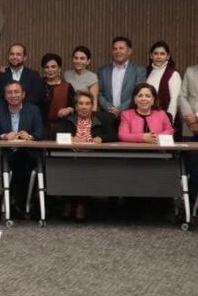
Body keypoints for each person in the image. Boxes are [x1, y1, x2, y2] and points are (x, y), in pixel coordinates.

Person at [59, 91, 117, 220]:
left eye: (87, 104)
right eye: (81, 103)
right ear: (76, 106)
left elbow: (114, 135)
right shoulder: (68, 120)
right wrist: (70, 139)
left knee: (83, 171)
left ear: (92, 106)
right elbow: (57, 135)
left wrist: (101, 138)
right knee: (67, 169)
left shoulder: (103, 119)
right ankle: (70, 201)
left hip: (93, 159)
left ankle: (80, 203)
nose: (84, 107)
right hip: (71, 158)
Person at [0, 81, 44, 214]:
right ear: (4, 95)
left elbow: (40, 133)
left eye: (16, 92)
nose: (13, 95)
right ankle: (16, 203)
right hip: (7, 153)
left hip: (27, 153)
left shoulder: (33, 110)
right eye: (9, 92)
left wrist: (30, 137)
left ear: (23, 94)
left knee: (22, 160)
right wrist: (5, 136)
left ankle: (18, 202)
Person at [98, 36, 147, 116]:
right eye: (115, 49)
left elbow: (139, 93)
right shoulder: (103, 71)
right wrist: (110, 108)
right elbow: (99, 93)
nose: (118, 51)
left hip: (131, 115)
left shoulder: (139, 70)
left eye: (121, 48)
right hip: (107, 115)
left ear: (129, 51)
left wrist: (120, 109)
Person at [0, 43, 44, 115]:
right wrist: (8, 109)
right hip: (4, 115)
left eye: (18, 54)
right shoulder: (0, 74)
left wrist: (18, 108)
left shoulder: (34, 75)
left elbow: (35, 97)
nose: (14, 57)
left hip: (27, 114)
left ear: (25, 57)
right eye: (12, 54)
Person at [39, 53, 77, 136]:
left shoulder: (67, 86)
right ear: (43, 69)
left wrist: (68, 109)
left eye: (53, 67)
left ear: (59, 69)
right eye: (47, 67)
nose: (50, 70)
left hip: (63, 128)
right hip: (40, 128)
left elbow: (75, 107)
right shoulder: (37, 84)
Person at [146, 40, 182, 123]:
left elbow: (175, 100)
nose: (159, 57)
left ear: (168, 56)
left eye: (162, 54)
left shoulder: (173, 74)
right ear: (151, 56)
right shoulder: (145, 72)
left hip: (165, 121)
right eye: (156, 53)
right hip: (147, 119)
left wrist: (168, 121)